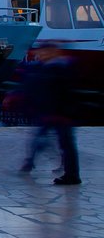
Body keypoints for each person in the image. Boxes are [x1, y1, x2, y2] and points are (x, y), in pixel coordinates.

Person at [15, 45, 81, 185]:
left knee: (65, 144)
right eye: (41, 52)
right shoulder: (45, 68)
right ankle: (30, 162)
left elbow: (64, 92)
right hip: (48, 112)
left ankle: (72, 175)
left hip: (59, 114)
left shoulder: (59, 68)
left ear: (54, 52)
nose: (42, 54)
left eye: (45, 52)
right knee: (44, 139)